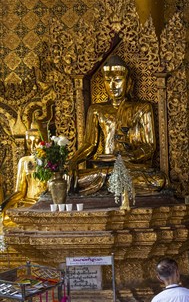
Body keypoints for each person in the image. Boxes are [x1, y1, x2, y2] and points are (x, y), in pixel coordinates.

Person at [68, 55, 166, 195]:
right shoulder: (96, 109)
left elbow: (149, 146)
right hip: (103, 170)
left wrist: (129, 156)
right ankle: (112, 183)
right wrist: (72, 161)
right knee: (69, 179)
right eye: (108, 81)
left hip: (131, 167)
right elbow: (89, 144)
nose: (112, 86)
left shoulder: (142, 107)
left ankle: (111, 184)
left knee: (158, 180)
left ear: (129, 83)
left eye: (118, 80)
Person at [1, 128, 47, 228]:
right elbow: (20, 192)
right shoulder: (24, 161)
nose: (32, 145)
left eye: (36, 141)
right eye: (29, 142)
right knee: (6, 219)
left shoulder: (52, 159)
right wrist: (4, 205)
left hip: (46, 204)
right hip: (28, 205)